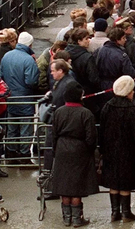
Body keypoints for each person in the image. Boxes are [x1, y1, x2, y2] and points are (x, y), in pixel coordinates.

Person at [98, 75, 135, 222]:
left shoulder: (107, 107)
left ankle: (115, 212)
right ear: (127, 92)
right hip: (128, 152)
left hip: (110, 151)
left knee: (113, 182)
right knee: (125, 182)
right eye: (132, 90)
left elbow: (101, 130)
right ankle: (126, 212)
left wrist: (101, 149)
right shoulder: (131, 109)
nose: (133, 93)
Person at [49, 83, 96, 227]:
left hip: (62, 149)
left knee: (64, 184)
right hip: (79, 150)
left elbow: (54, 134)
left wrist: (56, 149)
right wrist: (90, 151)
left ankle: (66, 218)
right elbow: (91, 138)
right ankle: (77, 219)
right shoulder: (86, 113)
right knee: (76, 186)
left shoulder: (58, 112)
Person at [0, 28, 38, 156]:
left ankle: (10, 153)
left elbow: (1, 76)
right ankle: (24, 154)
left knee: (12, 127)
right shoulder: (28, 60)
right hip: (25, 98)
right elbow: (31, 81)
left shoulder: (6, 56)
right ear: (30, 45)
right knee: (26, 128)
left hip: (10, 97)